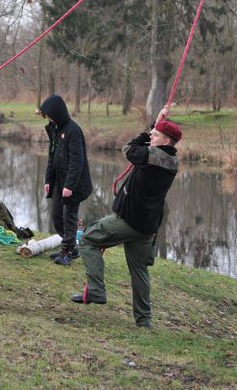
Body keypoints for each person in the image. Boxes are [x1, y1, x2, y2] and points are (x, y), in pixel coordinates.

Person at [71, 106, 181, 329]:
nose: (152, 136)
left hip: (128, 221)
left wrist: (146, 131)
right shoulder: (170, 161)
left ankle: (96, 291)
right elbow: (147, 148)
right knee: (139, 271)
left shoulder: (152, 156)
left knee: (87, 239)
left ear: (167, 142)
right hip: (146, 227)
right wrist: (156, 125)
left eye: (156, 135)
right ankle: (144, 320)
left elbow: (129, 148)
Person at [41, 94, 92, 266]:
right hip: (58, 181)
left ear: (57, 112)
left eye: (49, 114)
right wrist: (48, 180)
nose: (48, 118)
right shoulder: (54, 130)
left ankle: (68, 252)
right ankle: (71, 247)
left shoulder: (73, 131)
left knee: (69, 216)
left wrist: (69, 185)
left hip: (74, 183)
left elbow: (77, 161)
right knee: (56, 216)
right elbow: (52, 156)